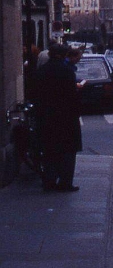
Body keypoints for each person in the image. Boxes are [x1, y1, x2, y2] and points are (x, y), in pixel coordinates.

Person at [34, 44, 82, 192]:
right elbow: (72, 96)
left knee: (49, 150)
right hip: (66, 117)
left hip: (47, 117)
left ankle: (49, 180)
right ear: (63, 55)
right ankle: (65, 182)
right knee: (67, 152)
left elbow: (36, 94)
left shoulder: (42, 71)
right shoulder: (67, 71)